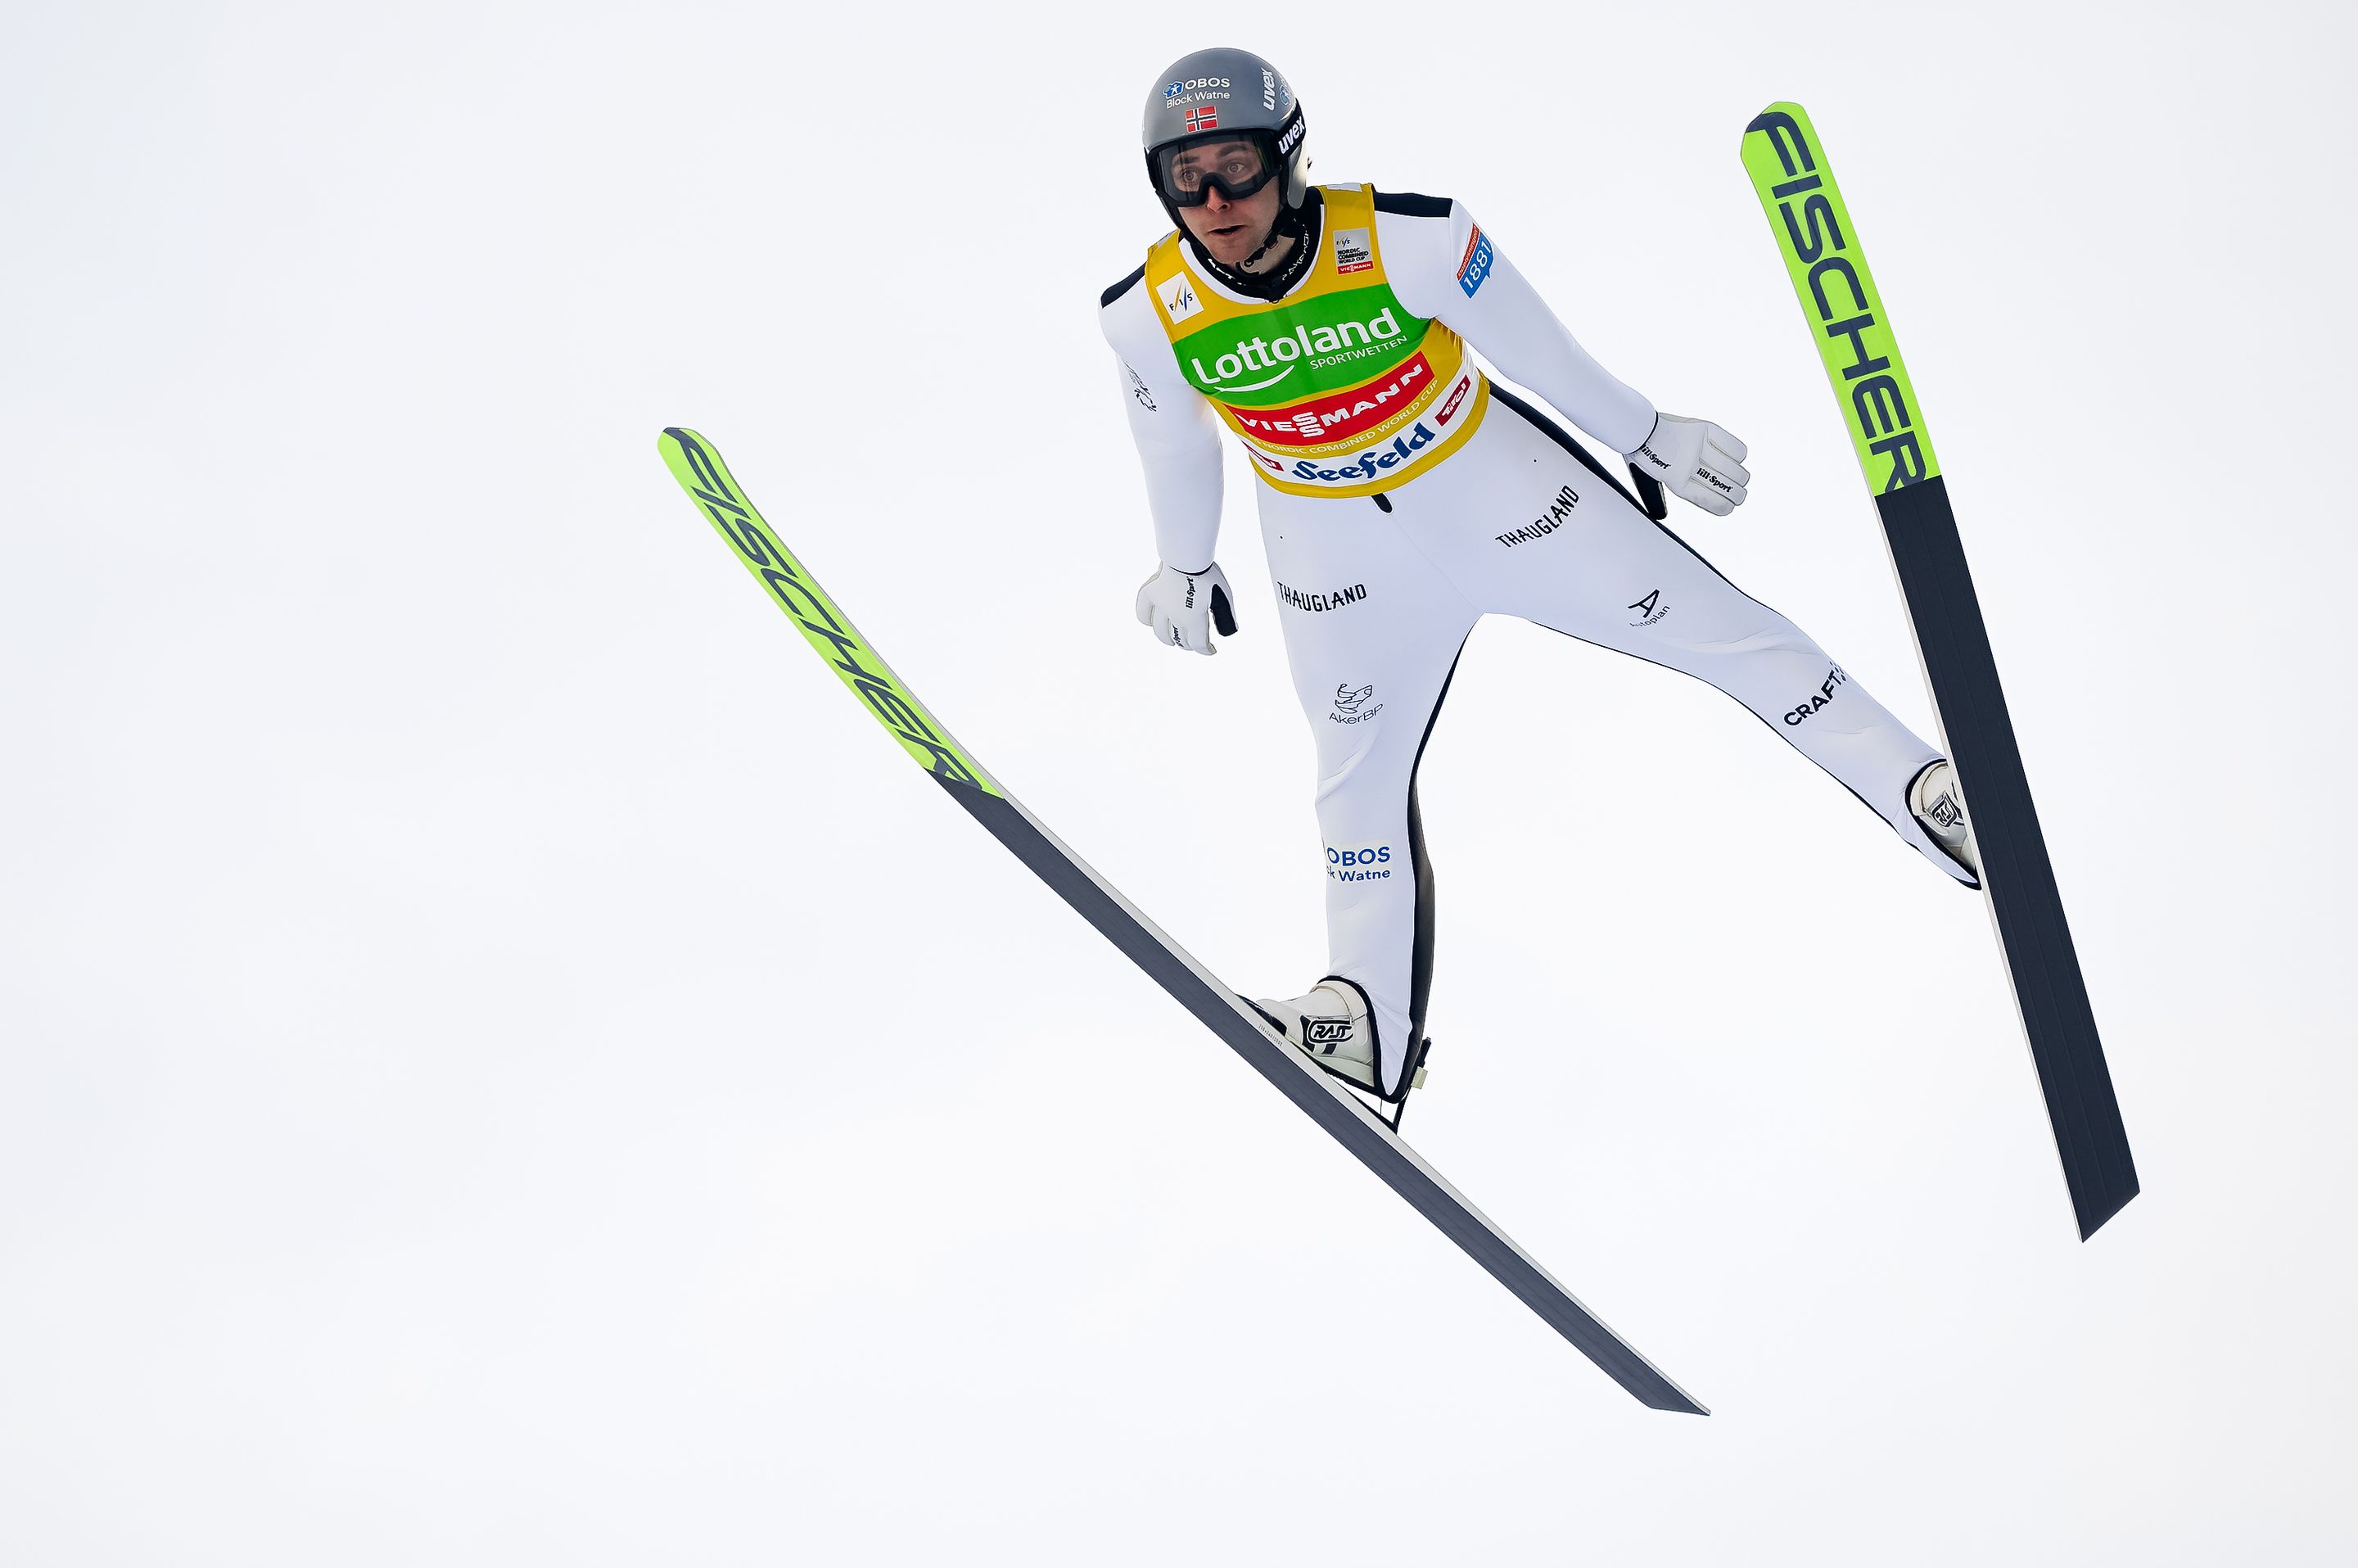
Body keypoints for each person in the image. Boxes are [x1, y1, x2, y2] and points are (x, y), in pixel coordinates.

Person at [1100, 46, 1976, 1109]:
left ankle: (1926, 789)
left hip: (1493, 495)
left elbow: (1535, 352)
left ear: (1286, 158)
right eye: (1183, 180)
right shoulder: (1145, 313)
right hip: (1331, 555)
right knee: (1352, 785)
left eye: (1234, 167)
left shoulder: (1410, 239)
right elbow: (1177, 447)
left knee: (1723, 631)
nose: (1214, 202)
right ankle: (1363, 1020)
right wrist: (1184, 565)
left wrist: (1642, 434)